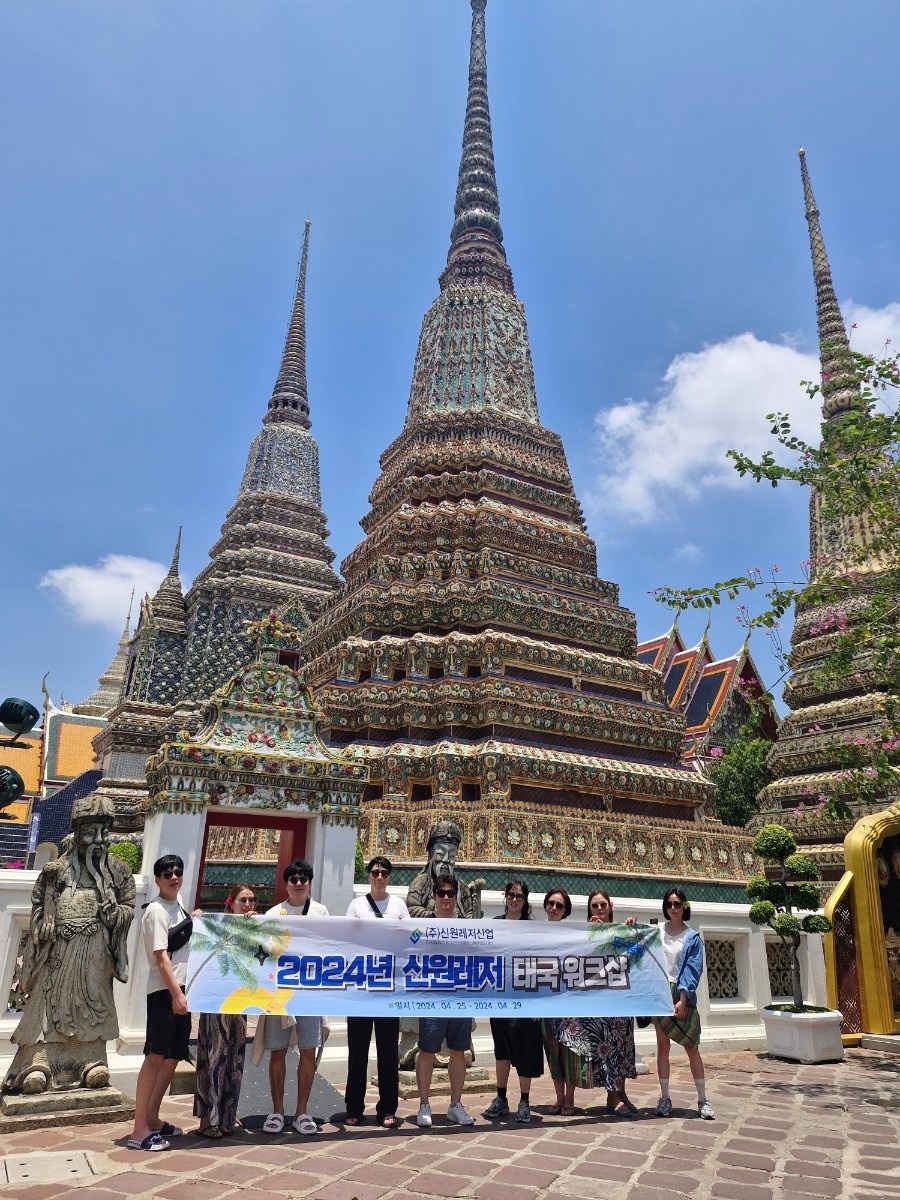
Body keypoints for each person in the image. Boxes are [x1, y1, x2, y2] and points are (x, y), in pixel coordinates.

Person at [2, 794, 135, 1096]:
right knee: (49, 1006)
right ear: (77, 833)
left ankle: (92, 1062)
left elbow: (128, 906)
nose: (97, 840)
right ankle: (38, 1063)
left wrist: (116, 914)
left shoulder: (117, 872)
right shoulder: (56, 871)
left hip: (96, 953)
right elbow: (38, 904)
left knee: (94, 1005)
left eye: (103, 832)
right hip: (60, 952)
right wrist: (47, 917)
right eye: (90, 832)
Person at [255, 859, 328, 1136]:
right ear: (286, 883)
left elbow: (330, 946)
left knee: (308, 1050)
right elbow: (262, 950)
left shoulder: (321, 912)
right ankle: (276, 1111)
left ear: (309, 882)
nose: (298, 883)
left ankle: (301, 1111)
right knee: (278, 1050)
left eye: (303, 878)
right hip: (280, 992)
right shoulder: (275, 913)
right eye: (293, 879)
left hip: (309, 991)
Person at [128, 854, 193, 1152]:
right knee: (155, 1056)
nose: (174, 877)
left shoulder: (178, 907)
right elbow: (160, 955)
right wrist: (176, 994)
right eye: (167, 873)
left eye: (178, 872)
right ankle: (139, 1129)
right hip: (164, 992)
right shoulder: (155, 910)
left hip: (181, 990)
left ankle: (153, 1117)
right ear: (157, 879)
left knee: (173, 1056)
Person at [344, 856, 409, 1129]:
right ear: (368, 876)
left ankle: (387, 1108)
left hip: (388, 987)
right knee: (357, 1049)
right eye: (375, 872)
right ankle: (354, 1107)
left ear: (389, 877)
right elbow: (347, 937)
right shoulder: (357, 905)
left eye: (384, 873)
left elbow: (408, 936)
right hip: (361, 985)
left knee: (387, 1050)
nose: (379, 877)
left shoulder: (398, 905)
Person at [193, 883, 256, 1138]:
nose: (248, 905)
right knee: (214, 1059)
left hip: (239, 1004)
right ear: (231, 902)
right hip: (215, 1002)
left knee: (234, 1060)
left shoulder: (254, 930)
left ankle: (228, 1116)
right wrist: (197, 922)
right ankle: (208, 1120)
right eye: (243, 900)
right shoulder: (215, 926)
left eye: (252, 900)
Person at [415, 878, 476, 1128]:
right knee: (427, 1050)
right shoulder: (422, 926)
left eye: (451, 893)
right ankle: (424, 1104)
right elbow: (406, 942)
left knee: (458, 1051)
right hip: (432, 996)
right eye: (441, 893)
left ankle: (455, 1104)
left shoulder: (466, 927)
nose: (446, 898)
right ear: (434, 895)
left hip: (459, 996)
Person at [483, 880, 543, 1124]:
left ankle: (525, 1100)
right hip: (500, 996)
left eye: (519, 896)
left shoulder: (532, 928)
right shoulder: (496, 925)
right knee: (502, 1050)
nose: (515, 900)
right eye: (511, 895)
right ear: (505, 896)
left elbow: (541, 965)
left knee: (525, 1050)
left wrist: (539, 1001)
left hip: (525, 997)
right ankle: (501, 1098)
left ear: (525, 899)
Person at [653, 886, 714, 1120]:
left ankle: (702, 1099)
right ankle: (665, 1097)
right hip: (660, 992)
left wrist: (683, 999)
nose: (673, 908)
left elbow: (691, 970)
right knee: (662, 1046)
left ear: (684, 907)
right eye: (669, 904)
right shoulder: (656, 931)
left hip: (681, 994)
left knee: (692, 1047)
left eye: (677, 904)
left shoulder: (693, 938)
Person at [577, 889, 638, 1116]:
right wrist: (592, 932)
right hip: (599, 1002)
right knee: (608, 1047)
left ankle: (621, 1092)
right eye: (595, 906)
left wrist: (631, 929)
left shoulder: (619, 932)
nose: (599, 909)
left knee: (623, 1048)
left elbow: (634, 953)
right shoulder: (584, 933)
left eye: (603, 905)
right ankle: (613, 1098)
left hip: (620, 999)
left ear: (610, 907)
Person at [406, 820, 482, 918]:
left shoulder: (462, 887)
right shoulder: (420, 883)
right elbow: (412, 909)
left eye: (451, 856)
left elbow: (469, 914)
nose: (446, 860)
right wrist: (439, 914)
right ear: (431, 856)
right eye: (440, 854)